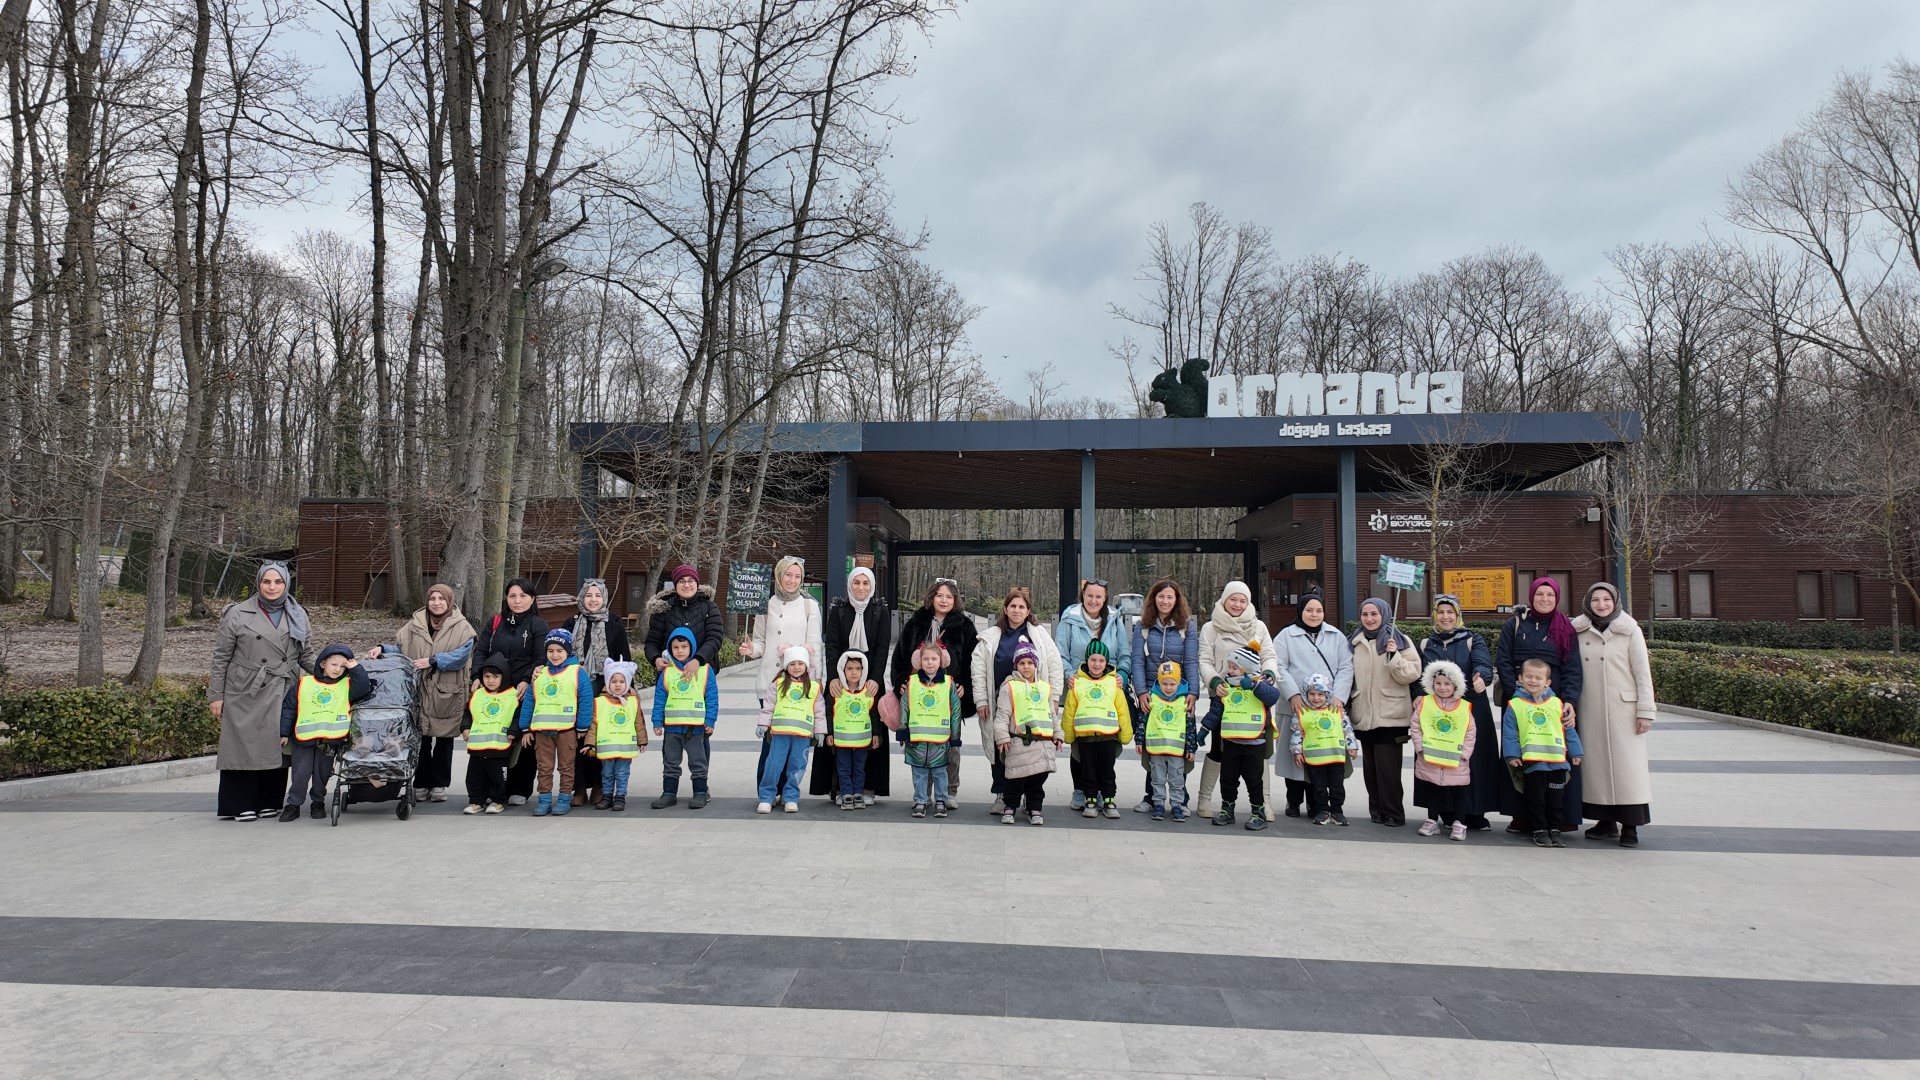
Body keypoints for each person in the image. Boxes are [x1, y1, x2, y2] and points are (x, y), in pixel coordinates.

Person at [210, 562, 313, 821]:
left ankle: (269, 800)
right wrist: (216, 695)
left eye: (278, 582)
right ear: (258, 583)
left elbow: (306, 654)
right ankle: (239, 804)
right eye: (267, 581)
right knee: (242, 745)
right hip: (245, 688)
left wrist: (334, 671)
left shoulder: (298, 614)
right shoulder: (237, 613)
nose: (272, 587)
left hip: (283, 686)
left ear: (286, 584)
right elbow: (221, 657)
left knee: (276, 743)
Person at [368, 583, 475, 805]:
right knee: (420, 740)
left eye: (441, 599)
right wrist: (382, 648)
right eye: (432, 598)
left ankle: (439, 784)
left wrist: (434, 660)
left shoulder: (462, 627)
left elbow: (461, 657)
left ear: (449, 601)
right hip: (419, 691)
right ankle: (421, 783)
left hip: (447, 692)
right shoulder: (414, 624)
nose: (436, 603)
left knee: (444, 740)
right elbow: (402, 649)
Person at [1496, 578, 1585, 833]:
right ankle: (1521, 816)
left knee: (1555, 760)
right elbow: (1503, 660)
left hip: (1552, 704)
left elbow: (1572, 668)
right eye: (1539, 594)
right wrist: (1517, 697)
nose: (1544, 599)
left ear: (1557, 598)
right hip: (1519, 703)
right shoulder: (1515, 624)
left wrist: (1569, 701)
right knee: (1519, 756)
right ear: (1531, 596)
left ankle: (1560, 818)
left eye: (1550, 595)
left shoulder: (1566, 628)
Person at [1572, 582, 1657, 848]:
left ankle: (1630, 826)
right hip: (1590, 708)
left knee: (1627, 769)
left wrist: (1645, 711)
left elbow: (1642, 673)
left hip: (1624, 710)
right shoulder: (1578, 630)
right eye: (1595, 600)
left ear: (1616, 601)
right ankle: (1604, 821)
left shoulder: (1630, 630)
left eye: (1606, 599)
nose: (1601, 604)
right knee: (1596, 769)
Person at [972, 586, 1064, 815]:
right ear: (1005, 609)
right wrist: (981, 700)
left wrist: (1053, 698)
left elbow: (1054, 664)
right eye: (1012, 606)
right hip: (1000, 702)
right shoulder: (991, 636)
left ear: (1028, 611)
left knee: (1029, 748)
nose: (1017, 610)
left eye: (1021, 607)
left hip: (1032, 703)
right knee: (1001, 745)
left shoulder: (1039, 635)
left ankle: (1028, 796)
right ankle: (1002, 794)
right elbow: (979, 670)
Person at [890, 578, 979, 806]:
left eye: (949, 596)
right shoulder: (916, 623)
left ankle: (949, 791)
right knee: (921, 745)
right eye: (940, 595)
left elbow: (972, 662)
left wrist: (965, 685)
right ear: (932, 597)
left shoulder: (965, 627)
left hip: (948, 697)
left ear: (956, 600)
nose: (944, 600)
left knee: (950, 746)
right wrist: (901, 682)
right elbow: (900, 656)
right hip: (920, 696)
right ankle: (924, 793)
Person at [742, 556, 822, 807]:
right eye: (788, 575)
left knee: (794, 742)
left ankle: (789, 792)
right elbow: (761, 641)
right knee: (771, 743)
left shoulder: (810, 607)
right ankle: (766, 791)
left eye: (797, 576)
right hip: (771, 683)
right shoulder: (765, 605)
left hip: (799, 684)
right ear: (779, 576)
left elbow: (815, 646)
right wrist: (751, 649)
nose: (792, 580)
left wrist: (816, 682)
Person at [1196, 581, 1281, 818]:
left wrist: (1269, 674)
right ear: (1224, 600)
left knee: (1259, 750)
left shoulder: (1259, 626)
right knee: (1219, 749)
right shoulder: (1211, 628)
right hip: (1224, 696)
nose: (1237, 604)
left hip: (1255, 698)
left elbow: (1269, 655)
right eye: (1233, 599)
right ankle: (1205, 799)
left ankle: (1264, 802)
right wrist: (1214, 681)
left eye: (1243, 600)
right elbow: (1205, 660)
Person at [1416, 595, 1499, 831]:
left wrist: (1481, 677)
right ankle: (1444, 811)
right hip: (1437, 711)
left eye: (1450, 612)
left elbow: (1482, 663)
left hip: (1468, 707)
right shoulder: (1426, 644)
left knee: (1470, 758)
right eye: (1440, 612)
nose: (1445, 617)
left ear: (1458, 615)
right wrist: (1417, 696)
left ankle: (1473, 811)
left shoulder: (1472, 639)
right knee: (1439, 758)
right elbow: (1418, 676)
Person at [1272, 589, 1352, 818]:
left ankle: (1317, 803)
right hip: (1295, 707)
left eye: (1318, 610)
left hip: (1327, 709)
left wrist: (1338, 697)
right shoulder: (1286, 636)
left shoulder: (1336, 636)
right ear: (1301, 611)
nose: (1314, 614)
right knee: (1294, 756)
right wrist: (1293, 694)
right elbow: (1278, 666)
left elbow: (1346, 667)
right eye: (1309, 610)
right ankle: (1293, 800)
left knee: (1320, 756)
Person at [1055, 578, 1134, 811]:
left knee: (1105, 744)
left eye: (1099, 596)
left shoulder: (1115, 620)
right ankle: (1081, 790)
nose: (1093, 600)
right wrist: (1070, 674)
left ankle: (1101, 790)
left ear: (1105, 598)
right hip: (1078, 687)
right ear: (1083, 595)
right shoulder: (1069, 619)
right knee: (1081, 744)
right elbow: (1061, 652)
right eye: (1090, 595)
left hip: (1108, 689)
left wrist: (1122, 675)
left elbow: (1124, 654)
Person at [816, 566, 892, 805]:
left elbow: (882, 648)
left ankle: (868, 787)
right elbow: (831, 646)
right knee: (838, 731)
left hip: (869, 680)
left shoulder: (880, 611)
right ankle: (839, 788)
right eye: (856, 582)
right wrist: (834, 677)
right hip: (842, 677)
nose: (861, 587)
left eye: (865, 583)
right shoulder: (838, 610)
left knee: (870, 732)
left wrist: (875, 679)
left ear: (872, 586)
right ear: (850, 585)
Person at [473, 579, 550, 806]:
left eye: (523, 596)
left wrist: (526, 680)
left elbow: (540, 658)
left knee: (523, 739)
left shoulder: (538, 625)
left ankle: (520, 788)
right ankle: (496, 789)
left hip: (522, 691)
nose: (517, 601)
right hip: (495, 691)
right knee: (496, 739)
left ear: (532, 599)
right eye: (512, 596)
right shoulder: (496, 622)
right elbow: (481, 651)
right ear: (506, 598)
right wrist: (477, 676)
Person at [276, 643, 371, 821]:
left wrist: (355, 668)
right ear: (322, 664)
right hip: (304, 739)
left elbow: (363, 688)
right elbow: (289, 708)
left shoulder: (346, 685)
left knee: (322, 774)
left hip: (330, 740)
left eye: (343, 666)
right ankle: (293, 804)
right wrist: (284, 732)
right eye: (334, 664)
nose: (337, 669)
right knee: (300, 774)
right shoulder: (304, 683)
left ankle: (318, 802)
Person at [1350, 597, 1421, 827]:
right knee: (1370, 768)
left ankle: (1393, 812)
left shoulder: (1399, 640)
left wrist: (1394, 656)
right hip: (1364, 713)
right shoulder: (1355, 641)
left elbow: (1412, 674)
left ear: (1384, 614)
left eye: (1374, 614)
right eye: (1365, 614)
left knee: (1388, 768)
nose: (1369, 619)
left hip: (1391, 714)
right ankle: (1377, 810)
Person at [1130, 578, 1200, 813]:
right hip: (1153, 695)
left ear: (1177, 600)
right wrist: (1141, 691)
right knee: (1154, 745)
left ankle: (1181, 800)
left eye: (1170, 597)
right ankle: (1152, 797)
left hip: (1179, 695)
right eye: (1161, 596)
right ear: (1154, 598)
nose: (1165, 601)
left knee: (1179, 745)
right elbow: (1137, 661)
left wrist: (1193, 692)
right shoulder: (1142, 626)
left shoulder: (1186, 626)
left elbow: (1191, 661)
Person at [1503, 657, 1584, 848]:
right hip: (1533, 762)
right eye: (1528, 676)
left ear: (1547, 682)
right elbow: (1510, 732)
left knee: (1556, 799)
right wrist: (1512, 755)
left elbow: (1568, 729)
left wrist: (1576, 752)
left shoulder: (1557, 703)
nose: (1533, 681)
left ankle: (1554, 829)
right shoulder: (1515, 705)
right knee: (1536, 799)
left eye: (1538, 678)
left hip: (1557, 762)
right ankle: (1539, 829)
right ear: (1520, 678)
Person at [567, 578, 632, 811]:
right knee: (577, 738)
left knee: (599, 739)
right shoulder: (571, 623)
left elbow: (624, 657)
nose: (593, 600)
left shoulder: (614, 624)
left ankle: (598, 786)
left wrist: (627, 686)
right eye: (588, 595)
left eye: (597, 595)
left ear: (604, 598)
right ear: (581, 598)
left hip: (604, 690)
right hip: (575, 688)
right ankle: (578, 787)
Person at [515, 628, 594, 817]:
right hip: (542, 732)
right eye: (550, 651)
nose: (555, 655)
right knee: (544, 767)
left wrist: (582, 725)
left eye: (560, 650)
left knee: (566, 767)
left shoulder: (577, 672)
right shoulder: (540, 673)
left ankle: (565, 798)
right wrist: (525, 728)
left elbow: (586, 699)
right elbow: (530, 700)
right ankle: (544, 800)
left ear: (568, 651)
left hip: (566, 730)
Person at [1206, 642, 1283, 831]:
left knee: (1254, 780)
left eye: (1234, 667)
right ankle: (1227, 810)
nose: (1230, 671)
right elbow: (1216, 711)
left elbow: (1273, 697)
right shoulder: (1226, 686)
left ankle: (1258, 813)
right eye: (1229, 667)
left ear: (1246, 669)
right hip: (1231, 742)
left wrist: (1255, 686)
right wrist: (1204, 730)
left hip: (1254, 744)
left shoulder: (1261, 684)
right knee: (1228, 778)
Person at [1060, 640, 1132, 819]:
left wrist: (1125, 734)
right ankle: (1090, 799)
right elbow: (1070, 710)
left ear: (1107, 662)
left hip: (1108, 737)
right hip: (1085, 737)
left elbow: (1122, 710)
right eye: (1093, 660)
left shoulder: (1113, 683)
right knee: (1088, 771)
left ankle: (1109, 799)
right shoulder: (1077, 683)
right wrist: (1067, 734)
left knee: (1107, 771)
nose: (1097, 664)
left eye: (1101, 660)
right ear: (1086, 660)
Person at [649, 627, 718, 809]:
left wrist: (710, 720)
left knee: (698, 763)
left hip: (695, 728)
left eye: (684, 647)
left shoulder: (705, 670)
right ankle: (669, 794)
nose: (679, 650)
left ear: (692, 647)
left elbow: (712, 697)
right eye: (675, 647)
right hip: (672, 728)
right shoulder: (667, 672)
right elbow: (659, 698)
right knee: (670, 762)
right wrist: (657, 721)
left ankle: (700, 793)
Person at [1410, 659, 1477, 842]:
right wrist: (1420, 748)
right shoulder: (1425, 703)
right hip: (1430, 757)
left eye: (1447, 683)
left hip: (1457, 760)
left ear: (1456, 685)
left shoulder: (1464, 706)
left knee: (1458, 793)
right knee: (1433, 791)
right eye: (1438, 683)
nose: (1442, 687)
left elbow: (1470, 732)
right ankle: (1432, 820)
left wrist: (1465, 754)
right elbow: (1415, 726)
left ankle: (1459, 823)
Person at [992, 642, 1059, 826]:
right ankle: (1010, 806)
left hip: (1042, 743)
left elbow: (1052, 714)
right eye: (1022, 663)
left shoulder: (1044, 687)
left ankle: (1034, 807)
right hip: (1019, 742)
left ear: (1036, 665)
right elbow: (1002, 715)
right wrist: (1002, 736)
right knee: (1015, 779)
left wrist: (1058, 734)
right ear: (1016, 666)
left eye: (1030, 663)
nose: (1026, 667)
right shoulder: (1009, 687)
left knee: (1037, 780)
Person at [899, 639, 964, 818]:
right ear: (919, 661)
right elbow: (905, 706)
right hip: (917, 739)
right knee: (919, 772)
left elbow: (955, 710)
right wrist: (903, 730)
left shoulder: (949, 683)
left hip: (940, 741)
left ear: (941, 661)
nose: (930, 663)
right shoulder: (912, 682)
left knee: (940, 772)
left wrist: (955, 737)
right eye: (926, 659)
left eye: (934, 659)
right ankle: (921, 800)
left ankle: (941, 800)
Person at [756, 646, 824, 815]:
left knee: (797, 767)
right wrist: (763, 724)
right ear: (786, 666)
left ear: (806, 665)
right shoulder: (778, 684)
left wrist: (820, 731)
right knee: (773, 765)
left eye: (800, 663)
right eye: (792, 663)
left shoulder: (814, 687)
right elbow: (768, 707)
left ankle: (790, 797)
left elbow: (819, 712)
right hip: (780, 734)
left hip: (802, 736)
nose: (796, 667)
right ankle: (767, 797)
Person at [1290, 672, 1357, 826]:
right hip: (1315, 759)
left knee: (1337, 786)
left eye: (1320, 694)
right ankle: (1322, 811)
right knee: (1318, 787)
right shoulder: (1301, 712)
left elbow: (1347, 729)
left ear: (1327, 694)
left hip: (1336, 757)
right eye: (1312, 694)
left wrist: (1352, 746)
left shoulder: (1337, 709)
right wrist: (1297, 752)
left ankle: (1337, 811)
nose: (1316, 698)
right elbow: (1296, 732)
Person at [1137, 661, 1199, 821]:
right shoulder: (1152, 698)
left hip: (1176, 751)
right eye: (1164, 683)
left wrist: (1191, 748)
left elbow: (1190, 726)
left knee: (1176, 780)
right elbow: (1143, 721)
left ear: (1178, 683)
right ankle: (1158, 804)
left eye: (1172, 684)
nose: (1168, 688)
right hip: (1156, 749)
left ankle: (1177, 805)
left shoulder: (1184, 701)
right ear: (1159, 682)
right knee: (1157, 779)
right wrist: (1139, 740)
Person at [461, 653, 520, 815]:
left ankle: (497, 801)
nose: (490, 680)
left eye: (495, 677)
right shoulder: (478, 694)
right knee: (474, 777)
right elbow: (468, 713)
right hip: (477, 747)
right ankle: (476, 801)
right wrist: (465, 728)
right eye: (487, 676)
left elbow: (517, 716)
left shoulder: (512, 695)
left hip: (499, 747)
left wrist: (514, 731)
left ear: (504, 677)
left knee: (498, 777)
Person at [585, 659, 644, 811]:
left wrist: (642, 740)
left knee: (622, 773)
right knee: (607, 773)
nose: (618, 685)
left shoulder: (632, 702)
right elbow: (593, 724)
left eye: (622, 681)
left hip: (625, 747)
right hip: (607, 747)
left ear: (628, 683)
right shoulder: (599, 702)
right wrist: (589, 743)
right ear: (607, 683)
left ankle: (620, 797)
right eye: (614, 681)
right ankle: (607, 797)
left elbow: (639, 722)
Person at [643, 564, 726, 670]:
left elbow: (715, 639)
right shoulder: (664, 609)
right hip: (671, 672)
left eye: (691, 581)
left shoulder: (709, 608)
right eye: (681, 581)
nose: (686, 585)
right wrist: (656, 658)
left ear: (697, 583)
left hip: (704, 671)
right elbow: (652, 642)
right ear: (675, 585)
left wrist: (698, 660)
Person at [826, 651, 881, 811]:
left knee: (859, 769)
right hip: (841, 741)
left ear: (864, 670)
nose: (854, 672)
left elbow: (874, 715)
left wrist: (876, 734)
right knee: (843, 769)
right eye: (849, 668)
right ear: (842, 670)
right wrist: (829, 733)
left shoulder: (868, 692)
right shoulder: (836, 691)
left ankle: (858, 793)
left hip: (862, 741)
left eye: (858, 668)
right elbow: (829, 713)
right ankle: (846, 794)